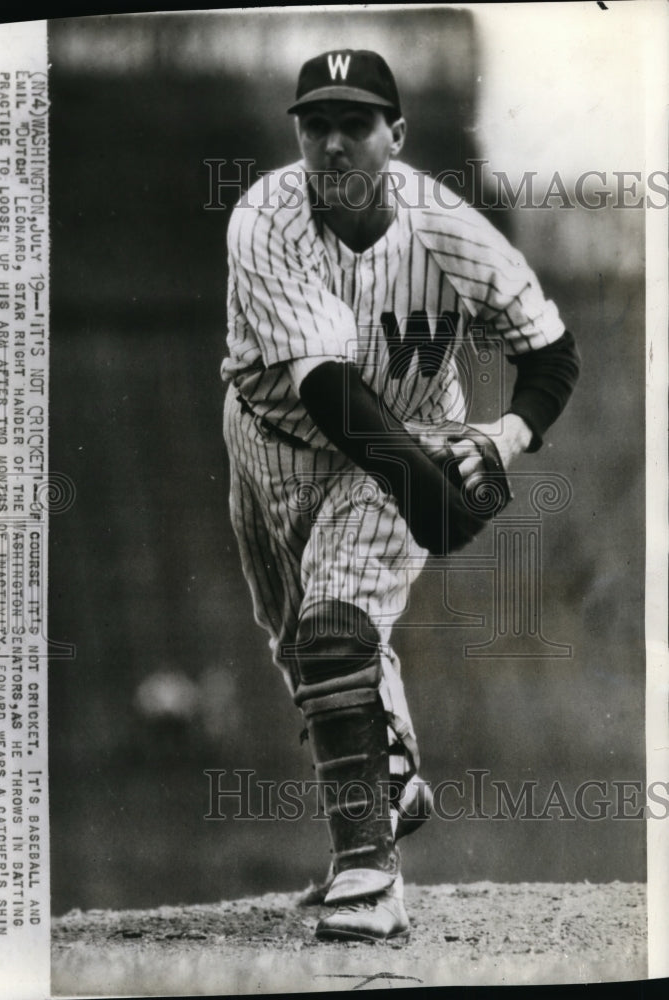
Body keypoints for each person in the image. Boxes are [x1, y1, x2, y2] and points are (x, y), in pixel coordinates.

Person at [220, 49, 580, 942]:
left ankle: (367, 874)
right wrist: (436, 497)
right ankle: (389, 775)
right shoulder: (264, 216)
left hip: (405, 436)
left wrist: (499, 438)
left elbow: (549, 355)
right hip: (274, 438)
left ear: (397, 135)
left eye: (355, 124)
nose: (333, 144)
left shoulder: (445, 226)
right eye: (316, 125)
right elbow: (330, 392)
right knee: (297, 647)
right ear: (298, 134)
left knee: (336, 628)